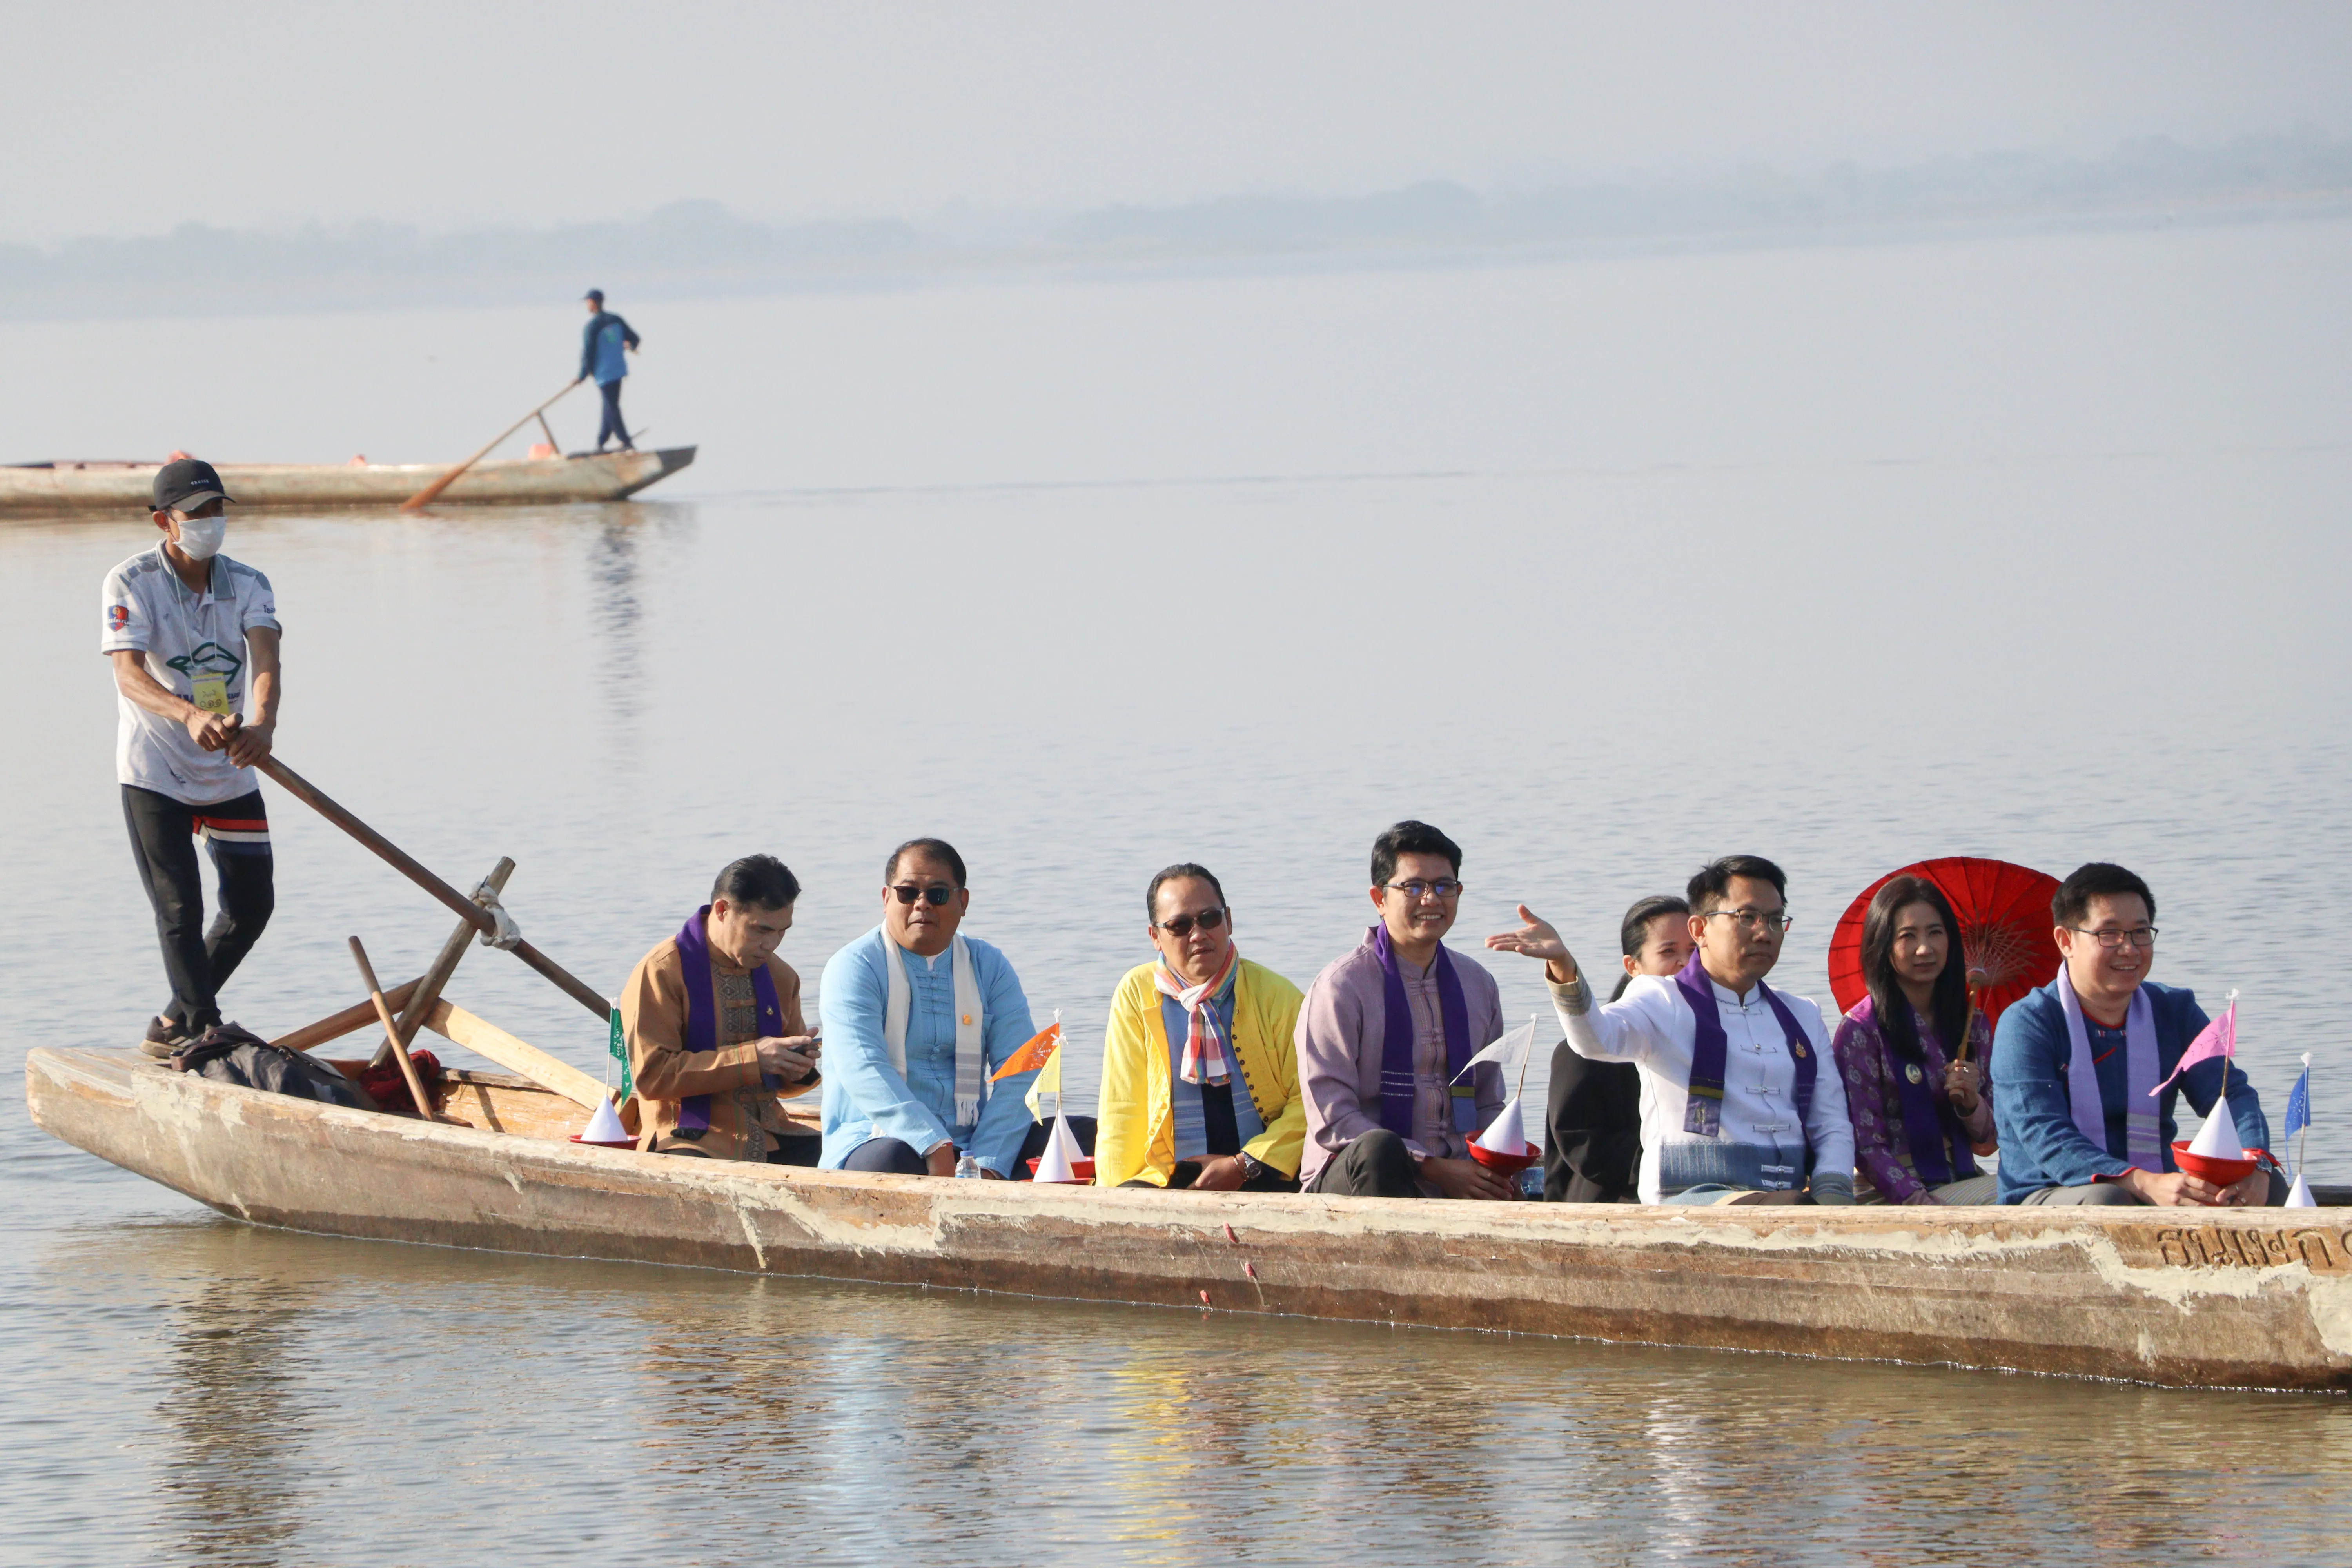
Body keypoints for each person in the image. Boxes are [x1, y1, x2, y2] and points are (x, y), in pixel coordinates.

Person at [1489, 855, 1855, 1205]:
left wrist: (1834, 1194)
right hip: (1694, 1198)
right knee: (1793, 1207)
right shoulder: (1661, 998)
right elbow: (1595, 1039)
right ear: (1700, 929)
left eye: (1775, 920)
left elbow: (1831, 1121)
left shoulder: (1802, 1014)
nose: (1764, 932)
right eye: (1747, 917)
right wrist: (1564, 968)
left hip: (1788, 1197)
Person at [102, 458, 283, 1056]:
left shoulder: (250, 583)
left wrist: (262, 724)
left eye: (218, 510)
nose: (212, 522)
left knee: (253, 907)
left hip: (228, 769)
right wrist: (188, 714)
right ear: (165, 522)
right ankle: (207, 1033)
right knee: (181, 909)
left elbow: (266, 663)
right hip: (155, 772)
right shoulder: (130, 582)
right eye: (198, 513)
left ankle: (175, 1020)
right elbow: (128, 676)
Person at [1991, 862, 2282, 1206]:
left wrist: (2254, 1163)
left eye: (2140, 933)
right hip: (2049, 1191)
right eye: (2109, 934)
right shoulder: (2027, 1023)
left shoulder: (2175, 1010)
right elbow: (2046, 1136)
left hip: (2152, 1180)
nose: (2129, 949)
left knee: (2266, 1185)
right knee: (2109, 1200)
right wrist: (2143, 1183)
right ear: (2066, 941)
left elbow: (2230, 1094)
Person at [1296, 821, 1512, 1200]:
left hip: (1458, 1171)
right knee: (1380, 1150)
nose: (1431, 900)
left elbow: (1488, 1101)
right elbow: (1334, 1120)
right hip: (1356, 1180)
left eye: (1444, 887)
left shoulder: (1477, 984)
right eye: (1413, 887)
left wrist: (1495, 1167)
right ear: (1379, 899)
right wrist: (1432, 1168)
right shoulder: (1341, 988)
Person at [820, 838, 1053, 1178]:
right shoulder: (855, 966)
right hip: (875, 1138)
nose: (922, 905)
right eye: (907, 893)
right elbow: (864, 1069)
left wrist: (988, 1163)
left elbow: (1023, 1068)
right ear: (887, 900)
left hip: (974, 1141)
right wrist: (933, 1144)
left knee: (1081, 1138)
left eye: (938, 894)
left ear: (963, 901)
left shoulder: (988, 965)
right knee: (894, 1162)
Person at [1094, 864, 1308, 1192]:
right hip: (1168, 1181)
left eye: (1209, 919)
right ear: (1155, 937)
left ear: (1229, 921)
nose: (1198, 934)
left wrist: (1244, 1164)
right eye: (1179, 926)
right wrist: (1111, 1200)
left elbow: (1309, 1101)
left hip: (1262, 1172)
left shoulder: (1276, 995)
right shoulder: (1136, 993)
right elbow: (1122, 1113)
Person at [620, 855, 822, 1162]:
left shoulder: (781, 976)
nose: (772, 945)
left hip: (772, 1134)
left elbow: (783, 1089)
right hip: (687, 1138)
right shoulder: (662, 971)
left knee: (852, 1159)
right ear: (723, 910)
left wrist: (796, 1064)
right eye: (761, 930)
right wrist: (754, 1058)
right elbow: (653, 1078)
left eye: (783, 932)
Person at [1829, 877, 1996, 1205]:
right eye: (1908, 936)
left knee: (2038, 1191)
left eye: (1936, 933)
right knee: (2009, 1198)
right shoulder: (1861, 1030)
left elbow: (1989, 1142)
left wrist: (1971, 1104)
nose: (1925, 949)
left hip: (1962, 1177)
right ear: (1883, 946)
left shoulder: (1972, 1024)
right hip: (1890, 1192)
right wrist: (1918, 1202)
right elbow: (1864, 1145)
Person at [1541, 895, 1690, 1203]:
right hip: (1607, 1198)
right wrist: (1675, 1164)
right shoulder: (1589, 1045)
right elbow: (1583, 1145)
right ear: (1633, 965)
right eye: (1669, 952)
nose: (1686, 964)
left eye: (1695, 951)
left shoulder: (1708, 1034)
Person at [577, 288, 641, 452]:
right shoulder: (617, 320)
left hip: (604, 374)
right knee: (609, 405)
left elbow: (588, 354)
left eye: (588, 303)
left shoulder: (592, 327)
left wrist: (582, 376)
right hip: (618, 371)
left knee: (611, 407)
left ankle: (625, 441)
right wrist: (630, 345)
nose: (587, 306)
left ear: (592, 303)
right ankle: (601, 442)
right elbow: (635, 338)